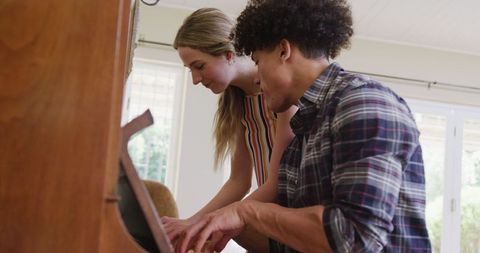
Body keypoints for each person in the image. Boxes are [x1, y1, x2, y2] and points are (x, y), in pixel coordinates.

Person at [175, 0, 432, 252]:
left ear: (283, 51)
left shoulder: (363, 103)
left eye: (257, 61)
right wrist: (218, 228)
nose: (257, 76)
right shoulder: (303, 134)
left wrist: (246, 211)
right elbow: (294, 240)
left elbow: (353, 237)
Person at [160, 7, 296, 247]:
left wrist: (218, 219)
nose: (195, 79)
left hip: (292, 216)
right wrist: (191, 221)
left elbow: (277, 183)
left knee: (224, 230)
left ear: (228, 54)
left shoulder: (280, 92)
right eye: (190, 70)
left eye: (199, 66)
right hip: (266, 213)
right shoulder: (239, 103)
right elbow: (238, 181)